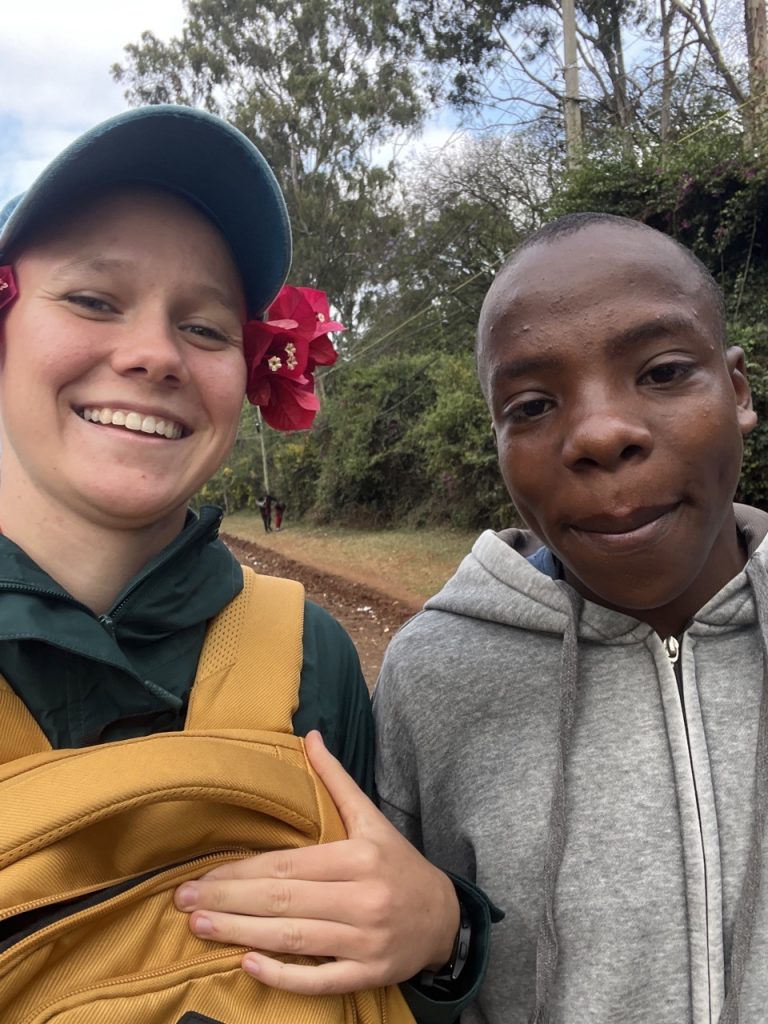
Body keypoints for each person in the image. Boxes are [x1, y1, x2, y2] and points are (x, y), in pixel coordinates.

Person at [0, 104, 485, 1020]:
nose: (155, 355)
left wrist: (445, 937)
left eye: (207, 328)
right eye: (94, 299)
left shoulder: (312, 656)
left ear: (251, 374)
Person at [373, 211, 768, 1023]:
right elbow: (393, 983)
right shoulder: (432, 677)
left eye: (662, 372)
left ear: (737, 391)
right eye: (531, 406)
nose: (600, 434)